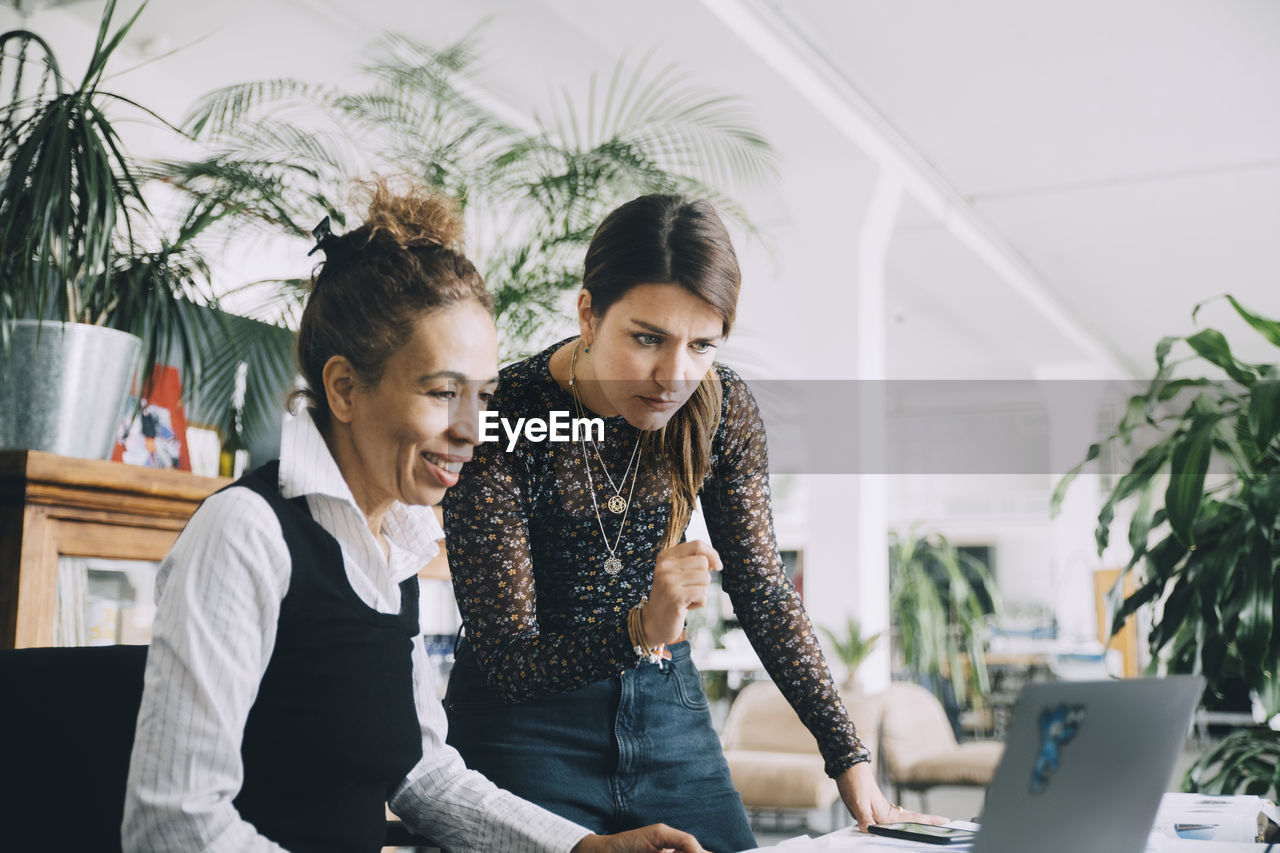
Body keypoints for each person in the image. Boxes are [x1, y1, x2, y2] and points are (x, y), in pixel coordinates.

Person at [122, 181, 705, 853]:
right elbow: (173, 823)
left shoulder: (390, 548)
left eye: (483, 395)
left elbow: (425, 775)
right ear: (343, 387)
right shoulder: (247, 535)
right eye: (441, 392)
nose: (472, 429)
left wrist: (579, 847)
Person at [442, 194, 944, 851]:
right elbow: (509, 661)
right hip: (523, 732)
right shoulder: (502, 417)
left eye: (702, 344)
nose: (674, 374)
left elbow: (763, 591)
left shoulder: (721, 406)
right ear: (589, 313)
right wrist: (639, 625)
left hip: (668, 716)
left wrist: (847, 755)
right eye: (647, 338)